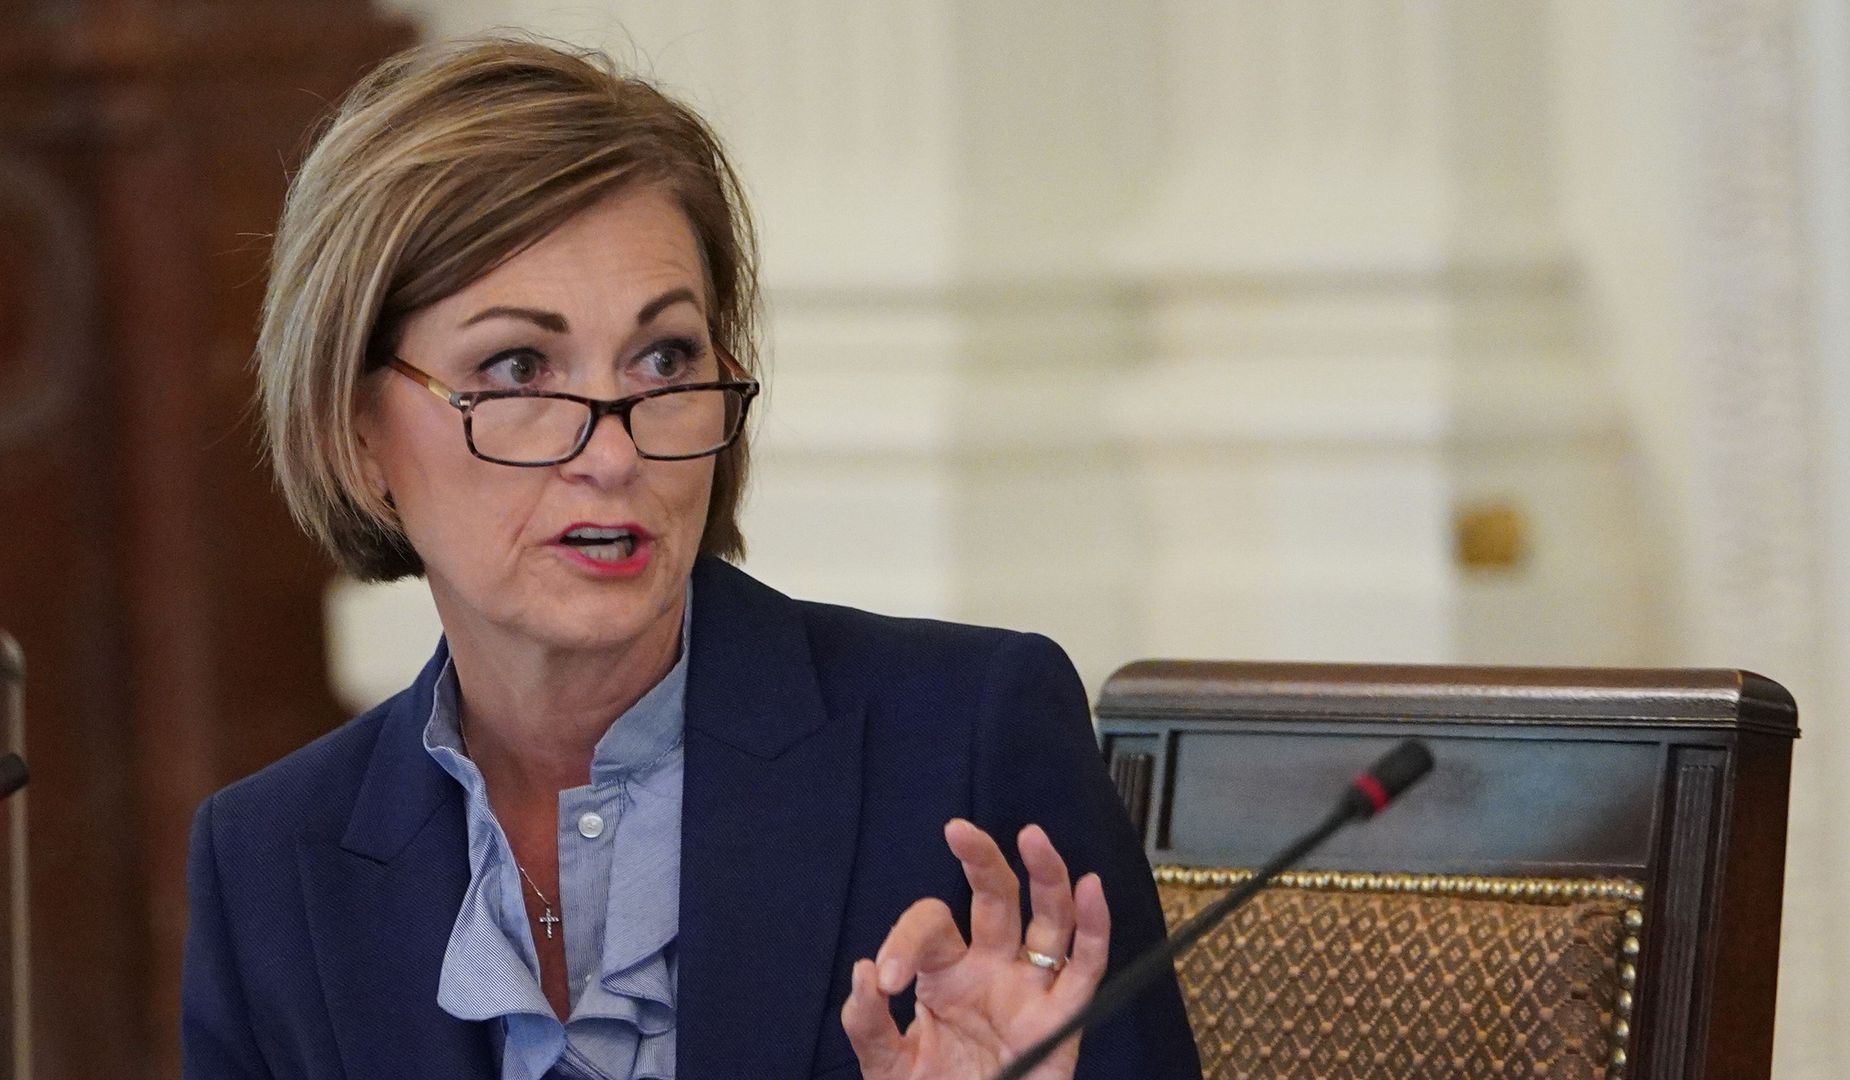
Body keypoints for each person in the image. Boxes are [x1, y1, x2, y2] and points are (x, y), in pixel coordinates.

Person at [181, 36, 1202, 1080]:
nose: (616, 452)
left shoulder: (966, 738)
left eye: (664, 358)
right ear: (358, 434)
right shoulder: (270, 863)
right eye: (520, 367)